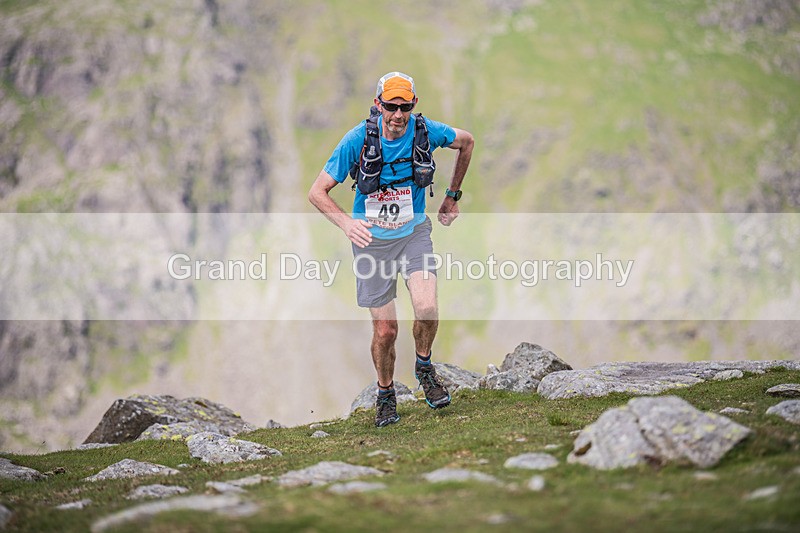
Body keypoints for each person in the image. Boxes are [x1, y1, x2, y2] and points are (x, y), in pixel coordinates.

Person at [308, 71, 474, 427]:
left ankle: (425, 368)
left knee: (427, 307)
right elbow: (317, 192)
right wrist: (347, 224)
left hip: (414, 232)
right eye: (391, 106)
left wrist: (452, 196)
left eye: (405, 107)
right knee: (386, 331)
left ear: (413, 105)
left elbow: (467, 142)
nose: (398, 115)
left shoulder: (424, 131)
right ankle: (385, 394)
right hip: (372, 243)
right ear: (377, 104)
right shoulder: (357, 139)